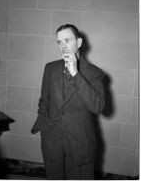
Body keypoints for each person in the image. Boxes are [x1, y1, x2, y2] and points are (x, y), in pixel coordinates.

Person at [31, 24, 105, 180]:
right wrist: (45, 126)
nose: (62, 46)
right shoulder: (50, 68)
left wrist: (75, 73)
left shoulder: (94, 73)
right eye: (59, 42)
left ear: (78, 43)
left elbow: (98, 106)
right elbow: (44, 101)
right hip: (52, 140)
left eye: (67, 40)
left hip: (79, 142)